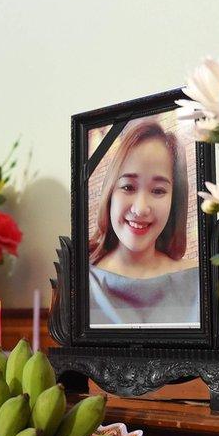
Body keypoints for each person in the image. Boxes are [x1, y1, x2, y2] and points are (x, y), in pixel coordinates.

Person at [87, 122, 199, 326]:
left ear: (174, 201)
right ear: (110, 192)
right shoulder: (81, 282)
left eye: (158, 191)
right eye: (128, 187)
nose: (140, 209)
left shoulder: (199, 282)